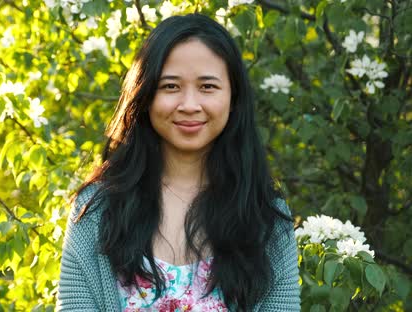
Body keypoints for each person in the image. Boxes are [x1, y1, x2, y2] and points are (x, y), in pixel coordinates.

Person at [57, 13, 300, 311]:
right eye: (170, 86)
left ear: (234, 98)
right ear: (145, 96)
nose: (189, 105)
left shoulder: (267, 219)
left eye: (207, 87)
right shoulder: (97, 209)